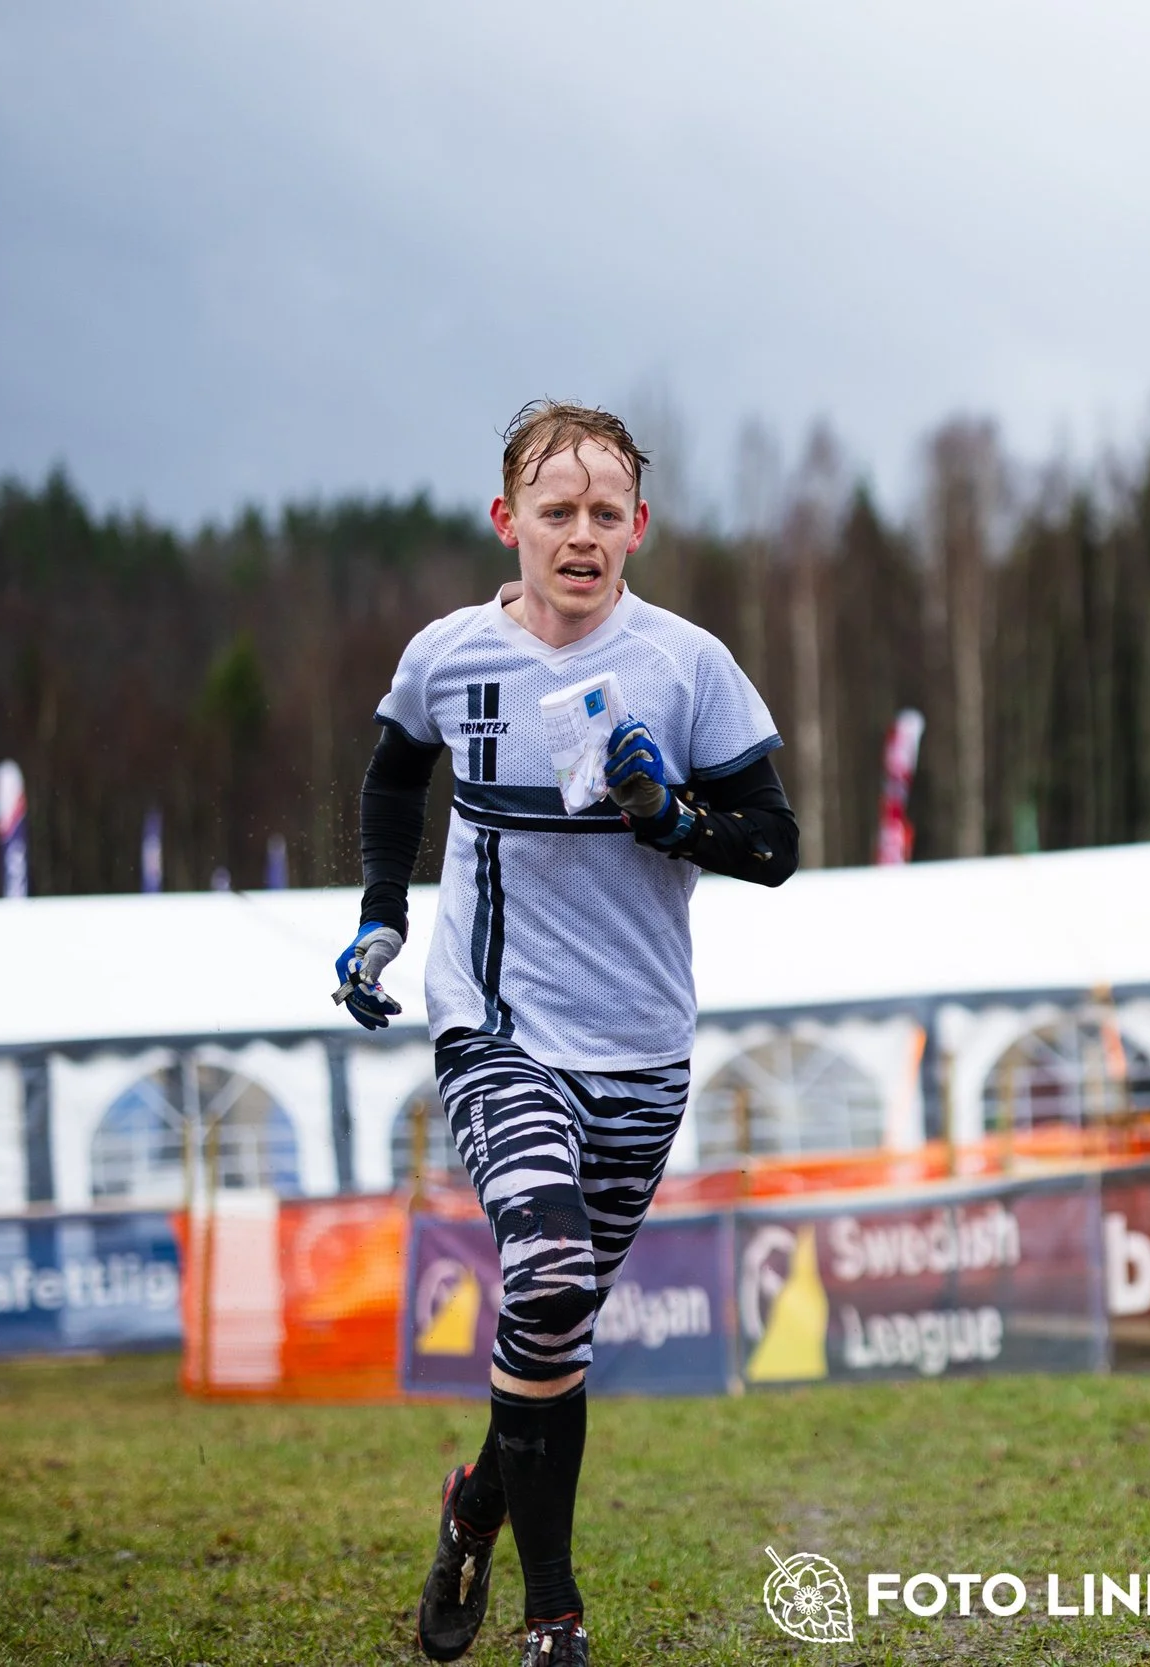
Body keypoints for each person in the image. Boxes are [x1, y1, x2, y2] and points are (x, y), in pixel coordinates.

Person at [333, 402, 797, 1667]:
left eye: (605, 514)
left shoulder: (689, 664)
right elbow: (392, 773)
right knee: (541, 1280)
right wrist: (381, 917)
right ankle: (556, 1617)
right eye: (556, 512)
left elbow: (776, 848)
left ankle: (474, 1506)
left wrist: (674, 814)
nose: (581, 536)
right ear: (509, 524)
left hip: (641, 1052)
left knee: (554, 1331)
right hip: (495, 1028)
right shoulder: (448, 654)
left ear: (637, 528)